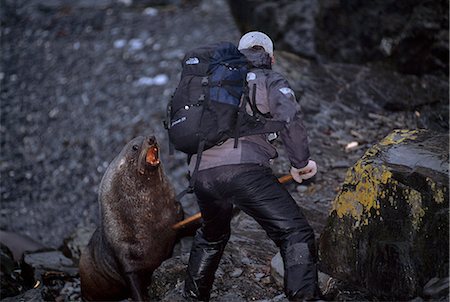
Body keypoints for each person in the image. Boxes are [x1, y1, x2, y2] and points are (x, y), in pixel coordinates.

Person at [183, 31, 321, 301]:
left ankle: (192, 297)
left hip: (202, 176)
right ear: (271, 57)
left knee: (212, 235)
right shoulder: (269, 78)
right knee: (296, 232)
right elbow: (290, 118)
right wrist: (301, 163)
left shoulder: (210, 82)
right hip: (244, 173)